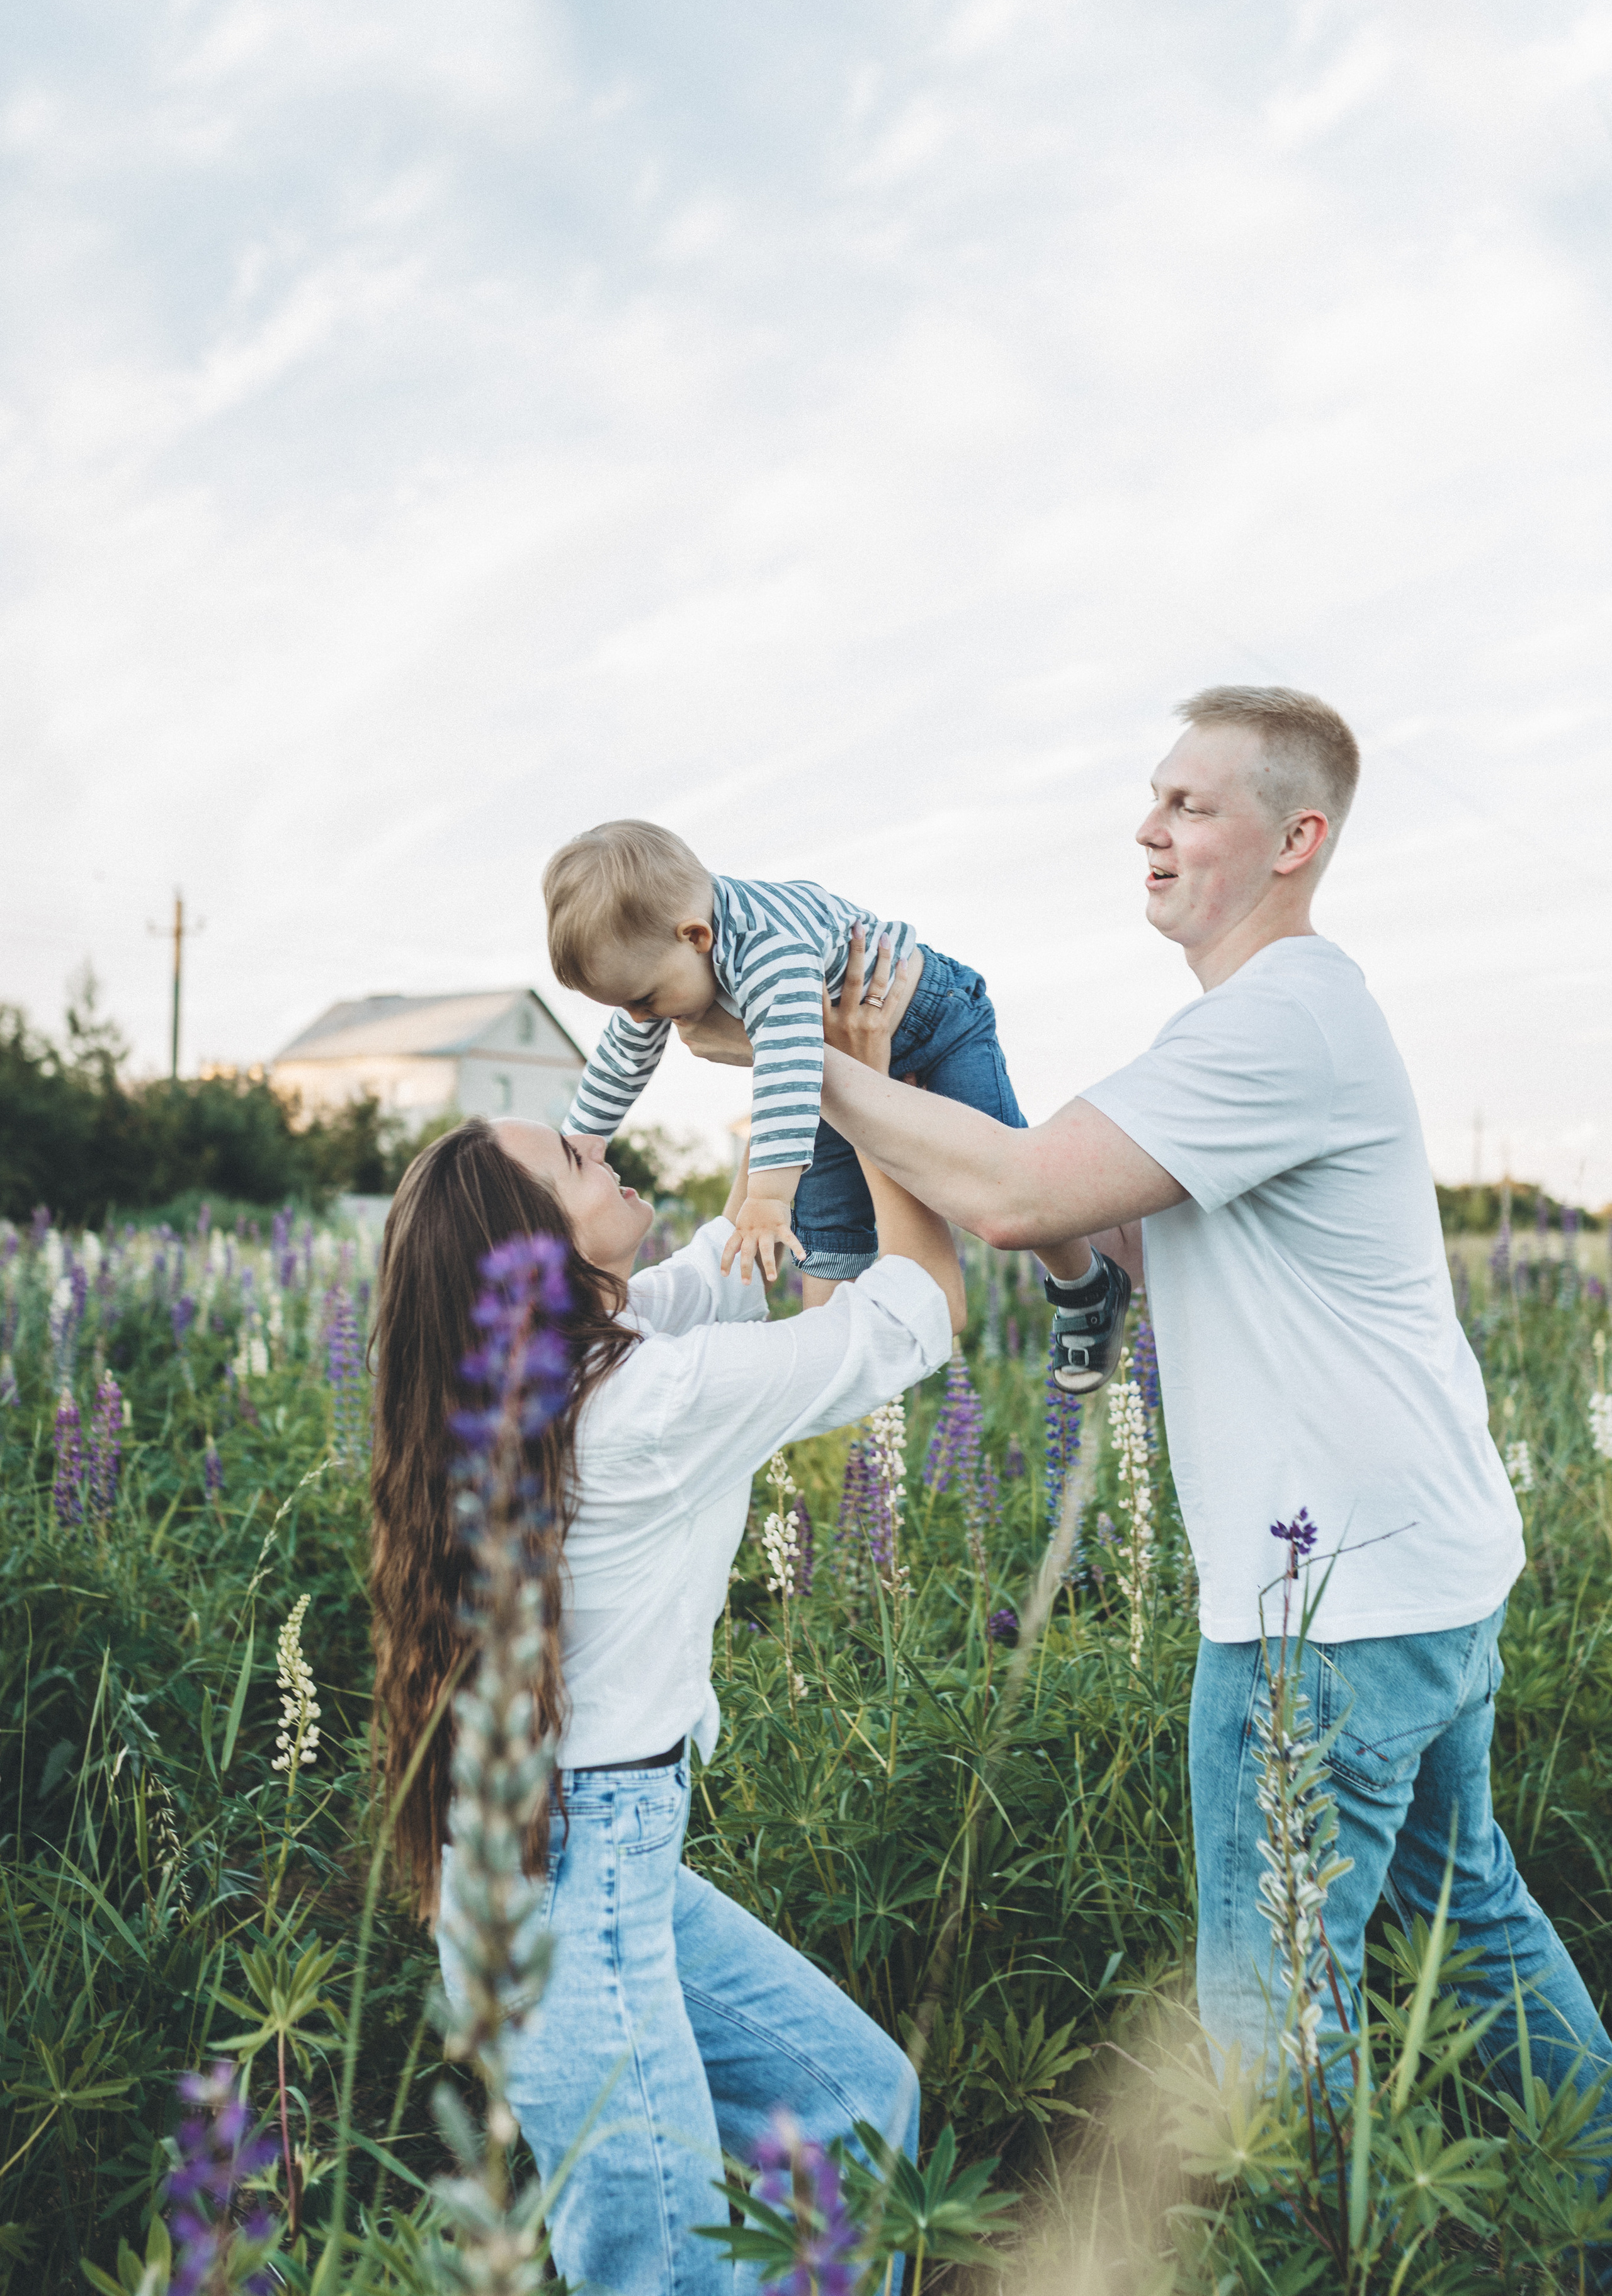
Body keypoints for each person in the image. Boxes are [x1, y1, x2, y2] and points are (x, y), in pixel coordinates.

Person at [686, 683, 1612, 2124]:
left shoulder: (1274, 1025)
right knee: (1466, 1928)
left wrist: (809, 1064)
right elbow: (1082, 1233)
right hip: (1419, 1584)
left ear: (1293, 837)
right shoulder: (1258, 1031)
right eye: (1152, 796)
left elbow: (1009, 1198)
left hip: (1321, 1621)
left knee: (1265, 2027)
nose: (1146, 825)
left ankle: (1303, 2247)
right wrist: (907, 1083)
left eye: (1189, 803)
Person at [367, 933, 960, 2295]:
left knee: (854, 2109)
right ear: (535, 1252)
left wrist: (799, 1078)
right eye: (574, 1162)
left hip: (576, 1850)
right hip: (577, 1862)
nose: (603, 1143)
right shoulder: (640, 1405)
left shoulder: (563, 1369)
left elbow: (724, 1262)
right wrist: (862, 1090)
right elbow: (914, 1313)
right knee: (663, 2267)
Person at [542, 819, 1128, 1393]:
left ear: (697, 937)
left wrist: (769, 1198)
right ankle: (836, 1372)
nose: (642, 1019)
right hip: (829, 1059)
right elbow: (624, 1053)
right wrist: (582, 1140)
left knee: (1008, 1183)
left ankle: (1084, 1283)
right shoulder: (668, 948)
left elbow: (790, 1067)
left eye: (644, 1000)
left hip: (931, 1023)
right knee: (824, 1234)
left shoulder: (770, 953)